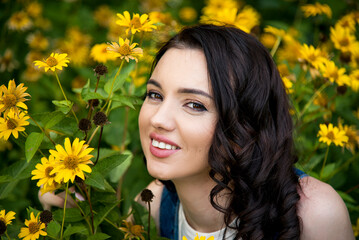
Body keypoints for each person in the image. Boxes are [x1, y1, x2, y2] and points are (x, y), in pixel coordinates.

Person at [39, 24, 355, 240]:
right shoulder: (152, 208)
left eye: (194, 104)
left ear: (244, 123)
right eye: (154, 94)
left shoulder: (312, 213)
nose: (158, 119)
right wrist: (67, 211)